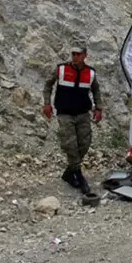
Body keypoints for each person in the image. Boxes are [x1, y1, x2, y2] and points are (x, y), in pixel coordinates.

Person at [43, 46, 104, 193]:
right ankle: (78, 175)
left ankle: (68, 173)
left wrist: (99, 108)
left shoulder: (90, 73)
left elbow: (96, 90)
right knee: (70, 144)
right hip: (65, 113)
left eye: (78, 54)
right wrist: (47, 103)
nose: (75, 57)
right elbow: (48, 85)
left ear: (84, 56)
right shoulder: (61, 69)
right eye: (73, 54)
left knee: (85, 143)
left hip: (83, 114)